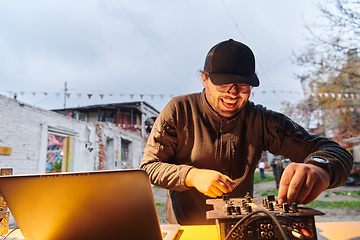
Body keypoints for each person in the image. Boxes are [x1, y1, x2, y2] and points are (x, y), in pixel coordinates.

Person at [140, 39, 353, 225]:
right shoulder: (179, 111)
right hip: (187, 228)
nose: (233, 93)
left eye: (243, 86)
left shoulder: (261, 120)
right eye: (224, 84)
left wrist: (320, 168)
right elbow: (150, 168)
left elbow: (332, 150)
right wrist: (191, 175)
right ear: (205, 79)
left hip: (241, 227)